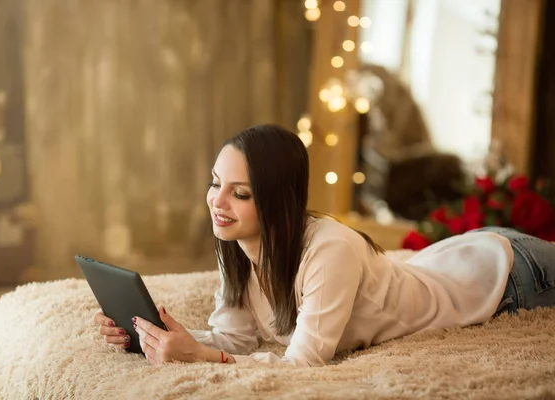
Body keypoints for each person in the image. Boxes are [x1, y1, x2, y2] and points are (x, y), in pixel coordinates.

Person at [94, 124, 555, 367]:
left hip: (511, 278)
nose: (218, 201)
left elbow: (301, 366)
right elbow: (235, 339)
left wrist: (201, 356)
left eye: (241, 192)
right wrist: (153, 334)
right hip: (449, 260)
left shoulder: (329, 250)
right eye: (216, 183)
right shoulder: (235, 239)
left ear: (276, 200)